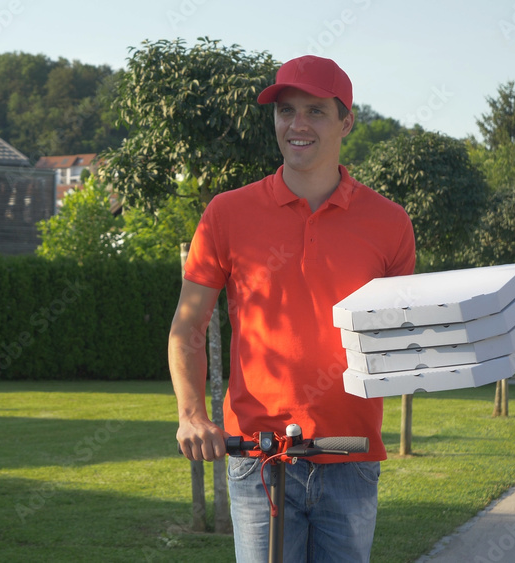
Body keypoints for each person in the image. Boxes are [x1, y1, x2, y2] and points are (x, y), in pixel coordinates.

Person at [169, 55, 416, 562]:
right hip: (257, 457)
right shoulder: (227, 213)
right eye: (285, 111)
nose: (296, 124)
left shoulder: (390, 223)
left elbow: (399, 336)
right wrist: (192, 415)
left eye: (315, 111)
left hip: (351, 454)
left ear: (346, 121)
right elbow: (188, 325)